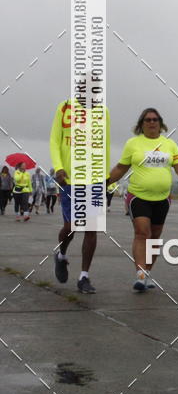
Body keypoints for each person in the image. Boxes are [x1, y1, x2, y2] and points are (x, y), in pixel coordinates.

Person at [109, 108, 178, 292]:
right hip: (138, 196)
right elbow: (121, 167)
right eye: (147, 120)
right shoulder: (133, 143)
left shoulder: (169, 144)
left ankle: (147, 274)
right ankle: (140, 274)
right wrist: (104, 182)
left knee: (155, 237)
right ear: (141, 124)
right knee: (142, 233)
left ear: (160, 123)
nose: (152, 122)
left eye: (155, 119)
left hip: (162, 198)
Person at [50, 97, 111, 294]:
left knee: (91, 229)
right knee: (71, 227)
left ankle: (84, 276)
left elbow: (105, 145)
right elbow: (54, 140)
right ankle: (61, 255)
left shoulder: (103, 111)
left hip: (93, 179)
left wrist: (106, 177)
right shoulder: (65, 107)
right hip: (70, 179)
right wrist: (59, 168)